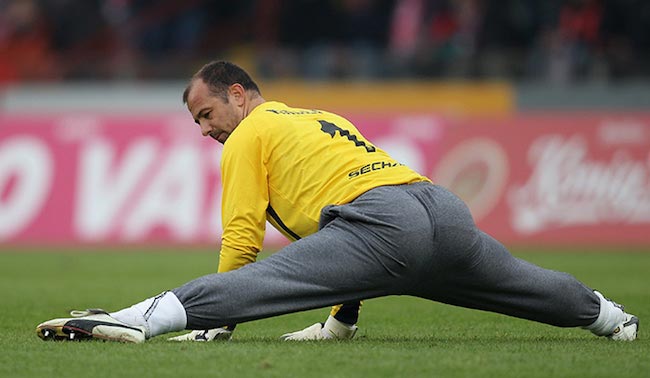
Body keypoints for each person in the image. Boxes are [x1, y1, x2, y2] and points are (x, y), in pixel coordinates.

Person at [36, 60, 638, 343]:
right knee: (521, 285)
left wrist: (218, 323)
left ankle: (138, 319)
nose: (205, 129)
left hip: (384, 226)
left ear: (239, 96)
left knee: (272, 276)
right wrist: (343, 317)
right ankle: (612, 318)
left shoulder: (250, 134)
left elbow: (243, 238)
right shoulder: (317, 117)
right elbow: (337, 238)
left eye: (206, 114)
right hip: (440, 208)